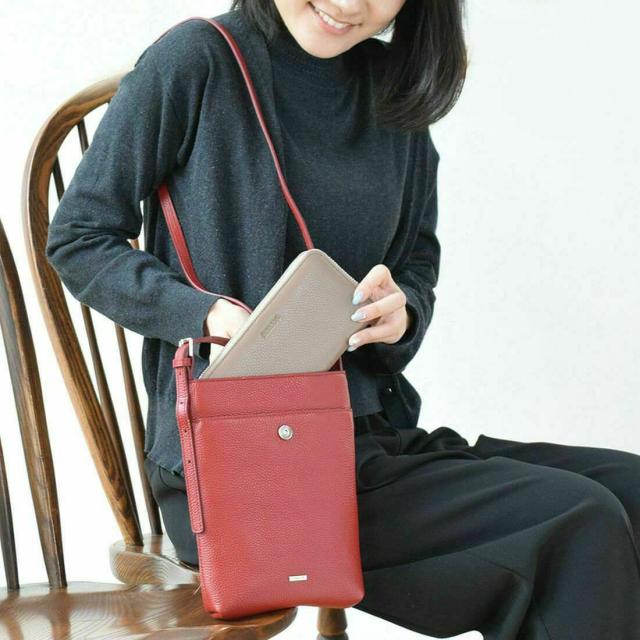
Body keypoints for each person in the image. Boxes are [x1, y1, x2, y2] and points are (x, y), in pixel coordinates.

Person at [45, 1, 640, 638]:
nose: (350, 2)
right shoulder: (198, 61)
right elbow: (80, 238)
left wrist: (400, 312)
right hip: (238, 474)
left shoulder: (393, 90)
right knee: (578, 521)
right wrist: (207, 314)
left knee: (629, 487)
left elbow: (416, 260)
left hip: (365, 439)